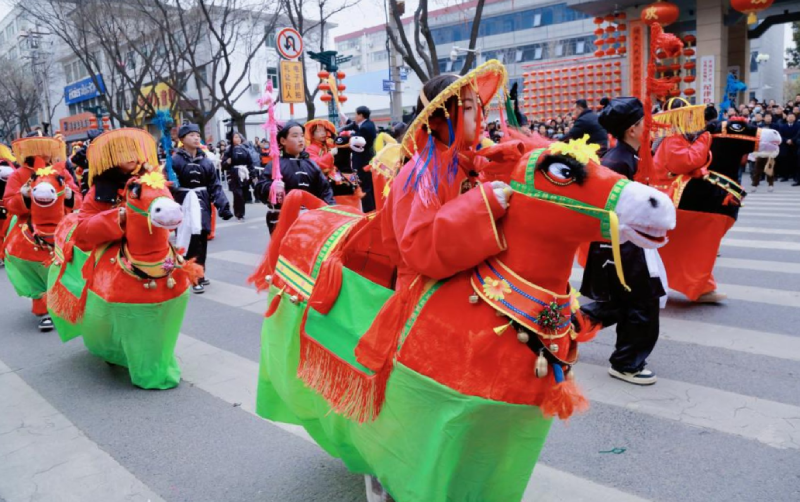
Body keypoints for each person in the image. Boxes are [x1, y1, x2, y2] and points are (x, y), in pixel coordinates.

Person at [580, 97, 664, 386]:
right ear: (632, 129)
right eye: (644, 122)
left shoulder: (630, 156)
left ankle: (561, 327)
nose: (649, 127)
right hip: (621, 245)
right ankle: (626, 362)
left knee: (620, 304)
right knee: (641, 303)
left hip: (627, 242)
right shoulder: (618, 162)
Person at [172, 123, 234, 294]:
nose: (196, 138)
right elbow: (168, 185)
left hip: (202, 203)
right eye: (191, 135)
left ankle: (200, 272)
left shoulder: (206, 160)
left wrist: (224, 206)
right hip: (184, 203)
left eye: (198, 135)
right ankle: (192, 277)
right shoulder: (175, 161)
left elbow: (215, 185)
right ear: (182, 139)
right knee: (188, 240)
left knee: (201, 240)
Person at [254, 121, 335, 233]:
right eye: (295, 136)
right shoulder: (274, 165)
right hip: (282, 218)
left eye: (302, 135)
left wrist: (331, 211)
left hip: (310, 219)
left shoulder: (311, 165)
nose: (300, 139)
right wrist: (271, 188)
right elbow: (259, 189)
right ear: (283, 141)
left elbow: (325, 190)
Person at [340, 105, 377, 211]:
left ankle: (369, 210)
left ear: (361, 115)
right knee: (368, 185)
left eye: (356, 114)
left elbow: (357, 140)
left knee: (365, 186)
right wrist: (347, 121)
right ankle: (373, 208)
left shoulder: (365, 127)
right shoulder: (368, 124)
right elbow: (356, 127)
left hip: (363, 161)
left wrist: (348, 135)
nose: (355, 116)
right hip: (366, 159)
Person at [221, 132, 254, 221]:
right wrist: (227, 162)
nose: (238, 139)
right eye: (235, 137)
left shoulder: (245, 149)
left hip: (244, 173)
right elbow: (223, 165)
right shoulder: (228, 150)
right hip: (234, 174)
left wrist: (253, 174)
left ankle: (240, 211)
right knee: (237, 194)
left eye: (239, 137)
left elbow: (250, 162)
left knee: (243, 194)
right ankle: (239, 214)